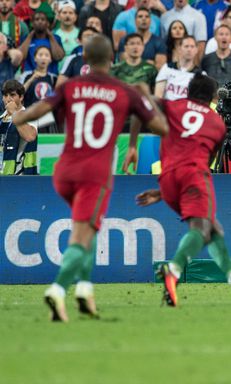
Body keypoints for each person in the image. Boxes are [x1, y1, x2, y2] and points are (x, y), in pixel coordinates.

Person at [12, 34, 169, 322]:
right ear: (113, 59)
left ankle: (85, 290)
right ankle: (58, 290)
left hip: (64, 172)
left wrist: (19, 117)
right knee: (81, 235)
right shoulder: (125, 91)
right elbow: (161, 128)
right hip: (94, 175)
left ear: (84, 59)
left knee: (88, 228)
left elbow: (40, 109)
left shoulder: (70, 86)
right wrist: (145, 97)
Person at [131, 73, 231, 306]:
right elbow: (209, 159)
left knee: (213, 228)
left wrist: (132, 145)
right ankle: (173, 270)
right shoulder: (216, 123)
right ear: (212, 96)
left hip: (167, 179)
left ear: (188, 91)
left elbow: (140, 102)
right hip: (193, 176)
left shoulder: (173, 106)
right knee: (201, 228)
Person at [0, 80, 38, 175]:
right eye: (5, 95)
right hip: (3, 175)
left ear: (21, 97)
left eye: (12, 95)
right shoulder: (1, 119)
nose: (8, 99)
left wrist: (14, 113)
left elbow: (30, 136)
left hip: (19, 176)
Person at [154, 35, 200, 100]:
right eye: (186, 46)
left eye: (192, 47)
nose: (189, 49)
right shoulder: (167, 68)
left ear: (196, 50)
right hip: (167, 105)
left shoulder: (200, 75)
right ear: (179, 49)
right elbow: (158, 96)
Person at [54, 0, 79, 71]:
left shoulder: (81, 34)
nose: (67, 15)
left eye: (71, 13)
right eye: (64, 12)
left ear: (75, 17)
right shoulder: (53, 34)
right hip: (58, 72)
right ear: (58, 16)